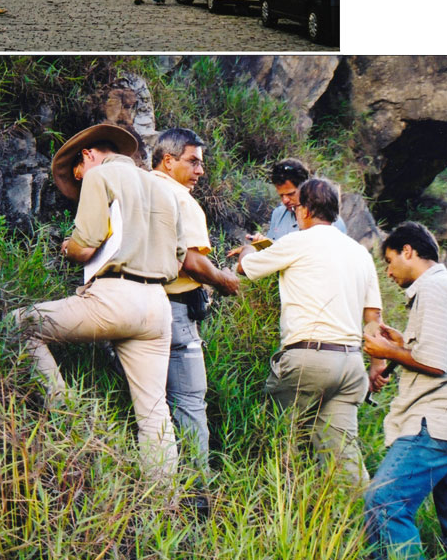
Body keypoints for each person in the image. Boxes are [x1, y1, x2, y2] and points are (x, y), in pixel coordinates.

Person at [10, 123, 183, 474]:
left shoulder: (100, 176)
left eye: (78, 172)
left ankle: (70, 425)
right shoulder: (164, 189)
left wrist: (68, 247)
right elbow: (179, 257)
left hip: (115, 297)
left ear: (88, 155)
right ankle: (164, 505)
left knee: (19, 325)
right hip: (158, 306)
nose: (79, 181)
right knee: (154, 412)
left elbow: (84, 246)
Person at [231, 177, 382, 487]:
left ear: (307, 211)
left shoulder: (298, 241)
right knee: (344, 461)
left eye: (297, 206)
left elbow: (247, 269)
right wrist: (377, 365)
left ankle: (272, 509)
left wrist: (247, 251)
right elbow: (373, 314)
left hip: (308, 358)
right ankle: (363, 524)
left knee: (275, 438)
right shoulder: (360, 254)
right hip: (351, 366)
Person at [361, 222, 447, 560]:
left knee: (384, 502)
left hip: (436, 422)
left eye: (389, 261)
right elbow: (444, 354)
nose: (387, 272)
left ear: (408, 251)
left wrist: (386, 350)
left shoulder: (432, 289)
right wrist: (403, 344)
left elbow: (434, 363)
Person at [149, 128, 238, 472]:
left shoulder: (134, 188)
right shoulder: (181, 199)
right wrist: (224, 280)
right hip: (174, 314)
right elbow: (192, 261)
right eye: (194, 162)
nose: (201, 171)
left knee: (150, 405)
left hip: (129, 305)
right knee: (188, 403)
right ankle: (197, 495)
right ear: (168, 161)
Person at [266, 159, 347, 240]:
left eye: (291, 194)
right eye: (281, 195)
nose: (285, 200)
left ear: (305, 187)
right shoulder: (278, 214)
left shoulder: (331, 222)